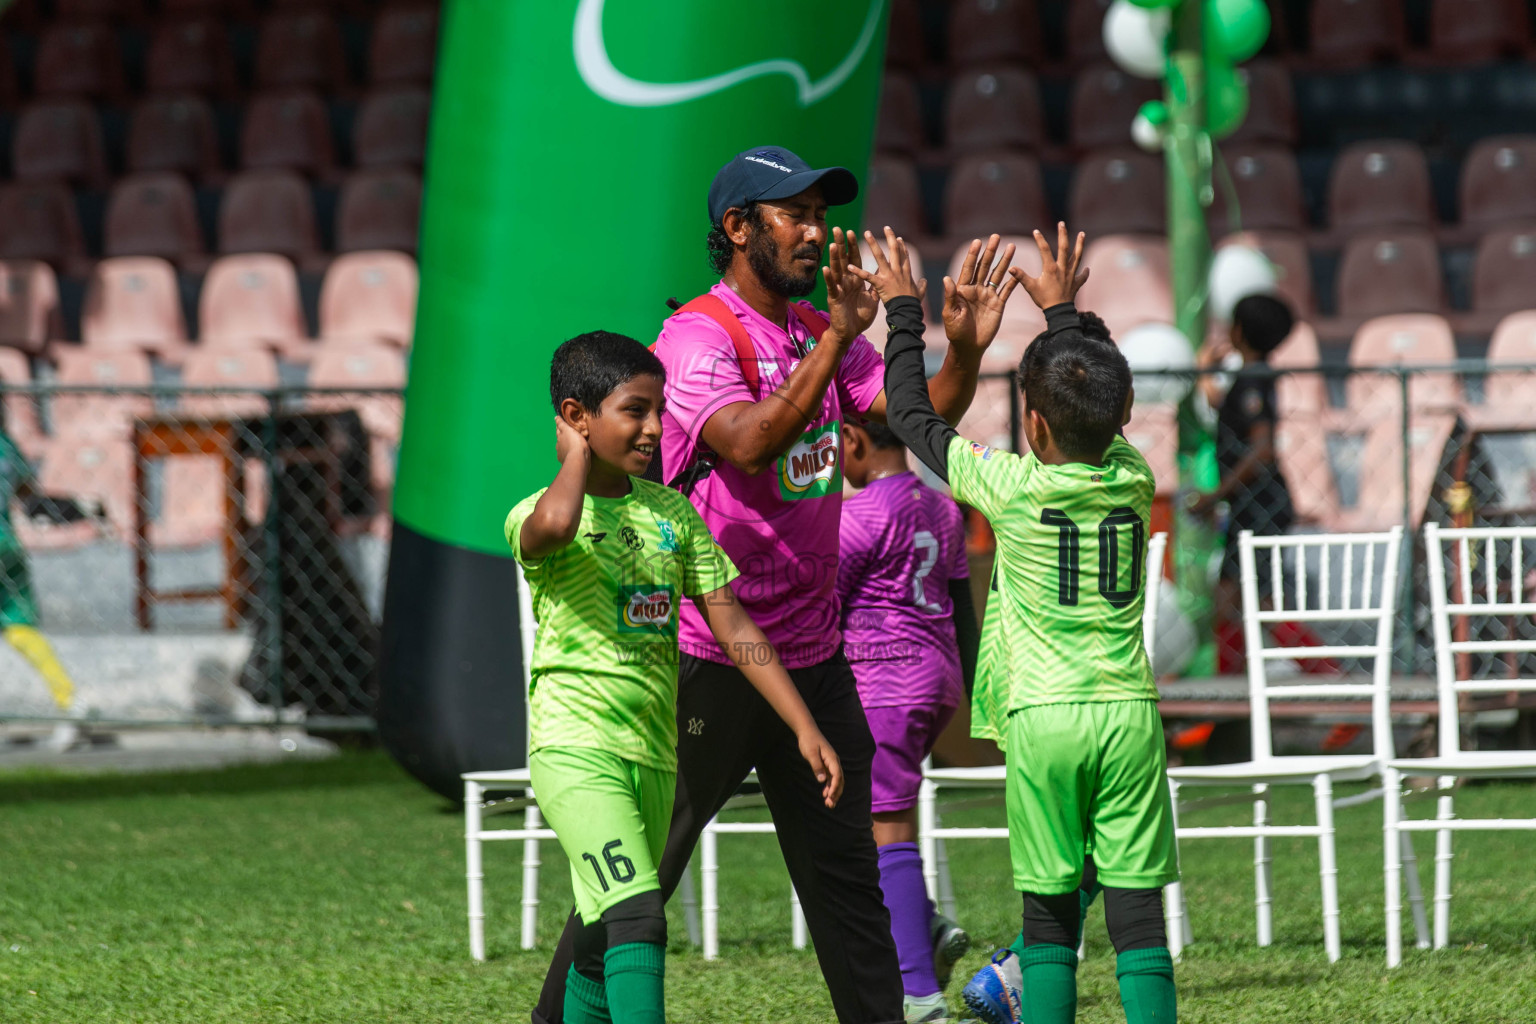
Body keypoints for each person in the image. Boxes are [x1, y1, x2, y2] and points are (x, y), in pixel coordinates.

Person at [530, 145, 1020, 1024]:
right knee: (632, 887)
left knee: (850, 892)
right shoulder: (697, 338)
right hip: (707, 652)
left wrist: (969, 352)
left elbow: (915, 417)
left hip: (814, 654)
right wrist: (838, 337)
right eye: (793, 213)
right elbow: (750, 442)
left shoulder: (809, 331)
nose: (816, 230)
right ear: (738, 228)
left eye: (820, 213)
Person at [856, 224, 1180, 1024]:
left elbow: (904, 412)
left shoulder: (1008, 486)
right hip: (1128, 713)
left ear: (1032, 426)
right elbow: (1092, 404)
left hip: (1043, 717)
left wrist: (904, 310)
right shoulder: (1135, 478)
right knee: (1136, 912)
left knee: (1048, 914)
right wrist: (1063, 312)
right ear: (1125, 413)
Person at [506, 331, 845, 1024]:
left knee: (602, 940)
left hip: (653, 760)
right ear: (577, 417)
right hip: (577, 754)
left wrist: (802, 723)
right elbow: (558, 523)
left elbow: (735, 626)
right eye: (634, 410)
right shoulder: (536, 514)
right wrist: (573, 457)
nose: (656, 428)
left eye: (660, 410)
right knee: (638, 917)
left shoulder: (671, 514)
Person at [837, 419, 980, 1023]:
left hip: (883, 683)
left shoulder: (857, 516)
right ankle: (927, 925)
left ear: (852, 439)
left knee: (885, 830)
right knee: (883, 820)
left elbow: (826, 604)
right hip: (938, 679)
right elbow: (962, 604)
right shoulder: (945, 509)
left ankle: (919, 994)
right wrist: (974, 688)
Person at [1191, 294, 1300, 671]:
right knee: (1237, 598)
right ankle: (1231, 677)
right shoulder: (1251, 377)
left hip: (1260, 505)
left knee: (1251, 599)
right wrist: (1206, 373)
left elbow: (1261, 448)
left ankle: (1326, 670)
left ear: (1239, 330)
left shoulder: (1255, 379)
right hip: (1250, 505)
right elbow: (1229, 412)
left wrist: (1216, 494)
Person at [0, 405, 83, 751]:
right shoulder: (7, 445)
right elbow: (25, 490)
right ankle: (69, 701)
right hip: (7, 542)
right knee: (20, 628)